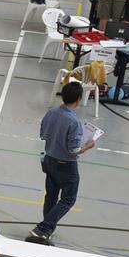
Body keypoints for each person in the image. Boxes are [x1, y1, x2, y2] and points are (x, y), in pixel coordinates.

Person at [29, 81, 95, 245]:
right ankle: (43, 228)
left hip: (49, 159)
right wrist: (87, 146)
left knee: (51, 195)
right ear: (78, 99)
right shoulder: (74, 122)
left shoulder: (51, 113)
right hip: (66, 165)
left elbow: (43, 134)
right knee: (68, 199)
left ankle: (48, 228)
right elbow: (73, 150)